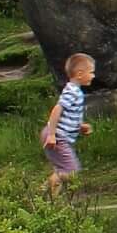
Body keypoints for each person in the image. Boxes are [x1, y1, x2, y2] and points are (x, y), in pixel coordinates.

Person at [40, 52, 96, 199]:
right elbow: (57, 109)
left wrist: (80, 126)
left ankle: (45, 196)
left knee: (62, 169)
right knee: (71, 170)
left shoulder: (73, 90)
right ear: (79, 74)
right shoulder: (73, 91)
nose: (93, 76)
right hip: (57, 137)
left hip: (56, 135)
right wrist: (52, 134)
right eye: (91, 72)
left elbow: (68, 115)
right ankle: (51, 190)